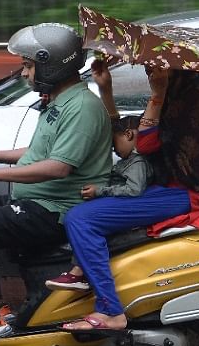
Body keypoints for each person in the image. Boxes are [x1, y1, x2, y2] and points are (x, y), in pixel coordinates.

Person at [0, 23, 113, 346]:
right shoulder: (59, 102)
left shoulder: (81, 108)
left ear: (50, 65)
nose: (24, 73)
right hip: (38, 202)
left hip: (56, 210)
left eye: (29, 66)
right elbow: (37, 153)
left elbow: (58, 167)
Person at [56, 60, 199, 331]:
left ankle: (111, 311)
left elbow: (143, 143)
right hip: (167, 190)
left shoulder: (190, 103)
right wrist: (106, 89)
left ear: (181, 71)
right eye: (149, 69)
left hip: (186, 195)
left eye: (158, 68)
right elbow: (126, 138)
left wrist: (157, 93)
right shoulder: (174, 98)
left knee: (81, 219)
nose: (151, 73)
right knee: (92, 209)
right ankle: (84, 268)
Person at [45, 115, 152, 328]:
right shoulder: (127, 161)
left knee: (83, 221)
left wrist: (101, 191)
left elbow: (133, 190)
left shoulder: (137, 162)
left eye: (114, 143)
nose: (114, 150)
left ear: (128, 135)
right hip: (120, 202)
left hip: (130, 204)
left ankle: (87, 280)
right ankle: (79, 271)